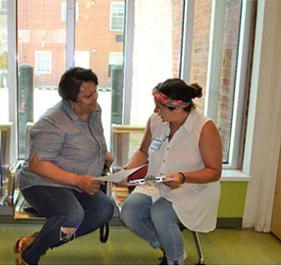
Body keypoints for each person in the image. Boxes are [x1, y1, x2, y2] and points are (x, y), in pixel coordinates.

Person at [16, 67, 114, 265]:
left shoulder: (94, 111)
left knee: (104, 209)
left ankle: (38, 241)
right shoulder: (52, 122)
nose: (95, 98)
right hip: (43, 183)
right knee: (71, 216)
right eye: (88, 95)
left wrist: (103, 153)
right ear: (72, 99)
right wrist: (78, 180)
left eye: (95, 91)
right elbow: (37, 164)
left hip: (78, 183)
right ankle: (29, 257)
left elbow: (95, 137)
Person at [120, 78, 222, 265]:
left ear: (178, 108)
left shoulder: (205, 128)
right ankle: (172, 250)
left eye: (159, 107)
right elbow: (143, 152)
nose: (155, 111)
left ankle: (174, 261)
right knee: (129, 212)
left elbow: (214, 172)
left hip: (193, 188)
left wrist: (183, 177)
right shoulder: (157, 121)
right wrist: (126, 171)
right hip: (157, 184)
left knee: (160, 212)